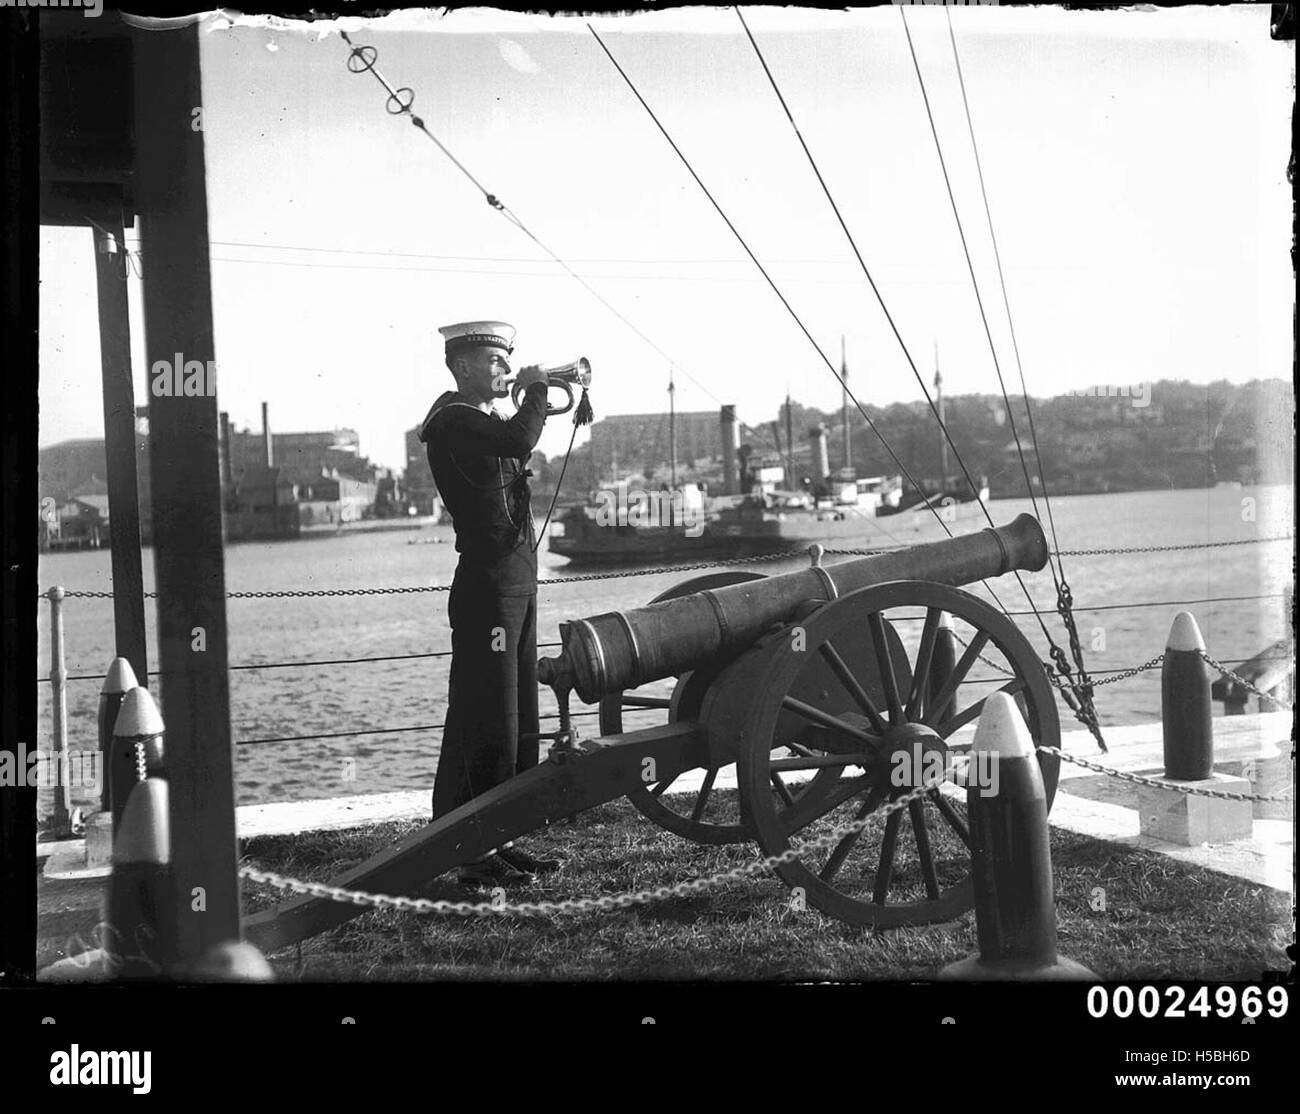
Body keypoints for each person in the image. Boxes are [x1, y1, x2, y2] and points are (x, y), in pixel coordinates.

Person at [418, 320, 563, 888]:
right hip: (488, 586)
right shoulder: (451, 418)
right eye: (495, 362)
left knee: (513, 712)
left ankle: (495, 836)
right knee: (486, 717)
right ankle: (471, 852)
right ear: (462, 367)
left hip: (514, 578)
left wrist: (533, 401)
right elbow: (518, 442)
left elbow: (512, 442)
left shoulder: (479, 420)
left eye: (508, 362)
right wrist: (535, 394)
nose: (505, 370)